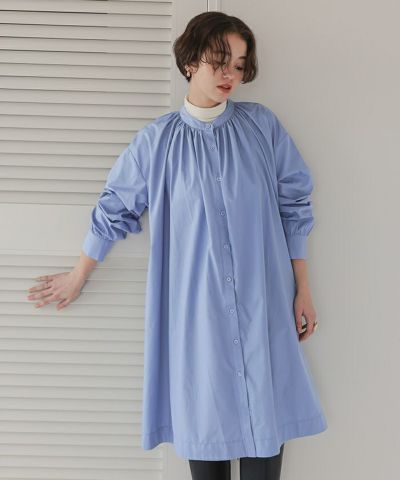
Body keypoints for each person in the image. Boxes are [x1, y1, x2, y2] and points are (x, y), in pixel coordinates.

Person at [26, 11, 327, 480]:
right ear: (190, 61)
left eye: (239, 65)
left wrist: (302, 288)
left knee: (265, 444)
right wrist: (78, 274)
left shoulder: (261, 128)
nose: (230, 75)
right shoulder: (157, 143)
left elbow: (295, 203)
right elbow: (115, 207)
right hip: (197, 321)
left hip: (263, 309)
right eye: (219, 61)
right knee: (204, 435)